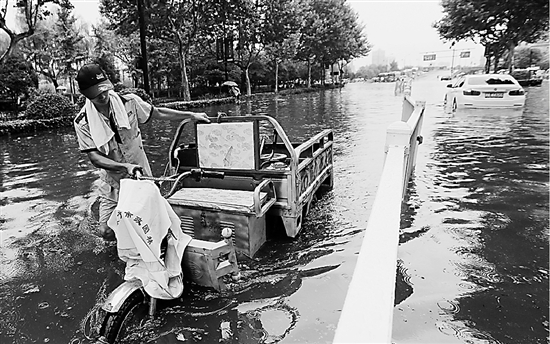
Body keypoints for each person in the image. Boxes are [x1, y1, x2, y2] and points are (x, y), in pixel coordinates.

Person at [73, 63, 210, 241]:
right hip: (113, 181)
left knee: (153, 223)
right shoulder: (83, 122)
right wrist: (124, 167)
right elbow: (95, 157)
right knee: (106, 231)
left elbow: (158, 113)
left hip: (142, 176)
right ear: (85, 94)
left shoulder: (129, 102)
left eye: (105, 90)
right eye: (97, 94)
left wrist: (190, 115)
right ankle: (126, 246)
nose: (103, 96)